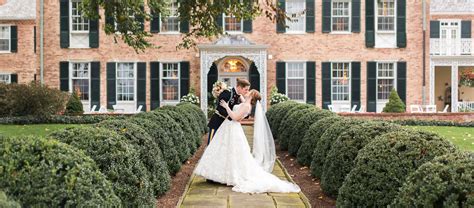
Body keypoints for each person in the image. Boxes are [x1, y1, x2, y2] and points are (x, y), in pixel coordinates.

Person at [194, 89, 301, 193]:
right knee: (225, 151)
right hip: (229, 128)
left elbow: (235, 117)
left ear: (252, 96)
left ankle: (229, 175)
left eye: (249, 91)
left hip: (232, 128)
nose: (247, 91)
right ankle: (219, 175)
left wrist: (226, 107)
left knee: (231, 152)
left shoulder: (246, 106)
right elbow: (239, 97)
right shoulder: (245, 103)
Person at [207, 78, 250, 144]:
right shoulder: (227, 92)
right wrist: (233, 118)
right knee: (211, 144)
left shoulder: (238, 96)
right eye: (246, 89)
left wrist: (241, 116)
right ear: (239, 87)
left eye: (248, 90)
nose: (247, 91)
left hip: (227, 126)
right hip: (217, 123)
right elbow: (220, 109)